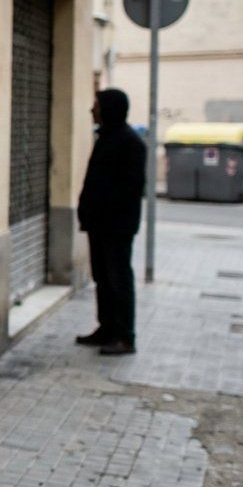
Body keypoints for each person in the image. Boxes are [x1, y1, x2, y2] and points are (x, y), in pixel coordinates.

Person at [75, 88, 147, 355]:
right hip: (99, 223)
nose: (92, 110)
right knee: (103, 278)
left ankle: (124, 336)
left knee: (118, 279)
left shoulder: (130, 143)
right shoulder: (106, 138)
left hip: (115, 226)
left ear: (110, 108)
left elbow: (129, 190)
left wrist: (103, 211)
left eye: (97, 105)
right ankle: (106, 328)